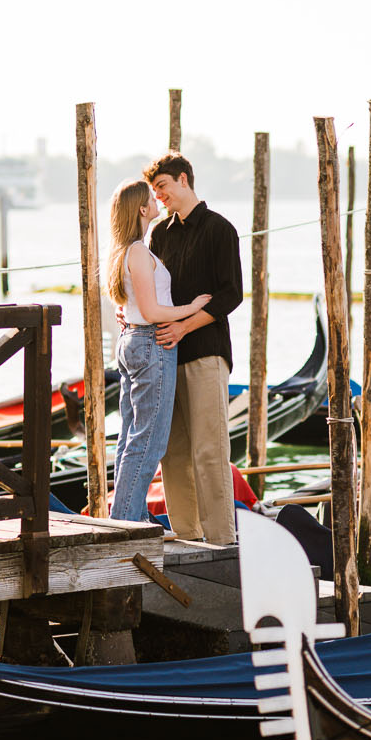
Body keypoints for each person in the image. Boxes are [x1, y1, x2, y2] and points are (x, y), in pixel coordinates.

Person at [143, 154, 244, 545]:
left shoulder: (221, 229)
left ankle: (221, 540)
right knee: (174, 451)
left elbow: (230, 294)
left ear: (183, 180)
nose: (159, 195)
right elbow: (152, 291)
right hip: (166, 355)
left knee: (209, 449)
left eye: (163, 186)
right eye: (155, 190)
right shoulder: (159, 235)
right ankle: (186, 535)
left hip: (205, 351)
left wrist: (184, 327)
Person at [105, 178, 210, 522]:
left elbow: (134, 306)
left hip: (132, 343)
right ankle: (127, 521)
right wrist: (191, 308)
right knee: (148, 441)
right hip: (151, 343)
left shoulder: (127, 250)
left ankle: (126, 514)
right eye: (152, 198)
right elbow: (152, 312)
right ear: (140, 209)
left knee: (130, 437)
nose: (158, 201)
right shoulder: (136, 250)